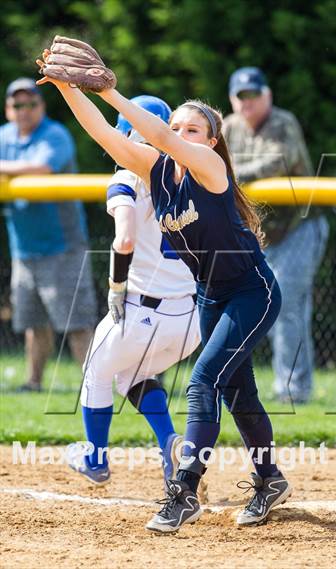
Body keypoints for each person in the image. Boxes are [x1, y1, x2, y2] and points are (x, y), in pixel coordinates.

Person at [36, 42, 292, 533]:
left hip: (251, 292)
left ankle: (183, 491)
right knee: (239, 391)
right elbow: (104, 134)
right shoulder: (154, 172)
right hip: (210, 297)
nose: (178, 134)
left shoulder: (209, 169)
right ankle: (270, 478)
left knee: (202, 383)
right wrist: (68, 87)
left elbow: (150, 131)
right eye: (175, 127)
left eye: (191, 129)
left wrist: (109, 89)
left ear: (211, 142)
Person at [67, 95, 201, 487]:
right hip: (190, 320)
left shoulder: (127, 176)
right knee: (132, 374)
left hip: (142, 313)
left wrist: (115, 287)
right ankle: (170, 444)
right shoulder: (191, 176)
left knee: (95, 371)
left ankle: (95, 459)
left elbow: (123, 240)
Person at [223, 67, 329, 404]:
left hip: (299, 227)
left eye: (255, 95)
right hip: (258, 235)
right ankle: (234, 384)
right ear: (233, 100)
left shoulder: (284, 122)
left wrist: (230, 173)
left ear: (267, 96)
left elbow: (278, 163)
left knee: (286, 307)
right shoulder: (228, 127)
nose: (248, 102)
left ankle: (292, 392)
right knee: (246, 305)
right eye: (242, 97)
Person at [0, 77, 97, 392]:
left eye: (31, 104)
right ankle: (33, 383)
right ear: (8, 109)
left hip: (63, 247)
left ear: (41, 106)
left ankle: (94, 386)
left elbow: (43, 167)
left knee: (77, 323)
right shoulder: (4, 136)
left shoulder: (55, 134)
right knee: (33, 323)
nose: (24, 110)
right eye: (18, 105)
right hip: (24, 250)